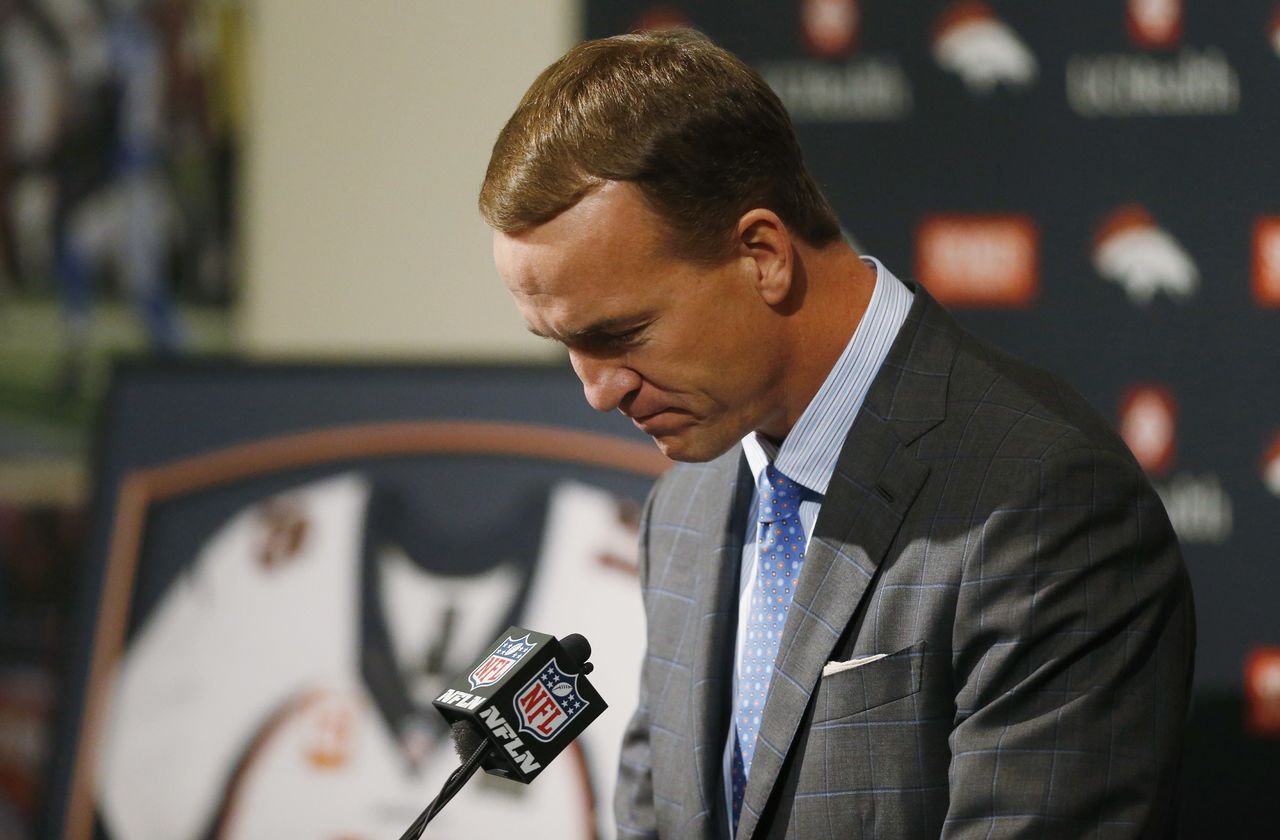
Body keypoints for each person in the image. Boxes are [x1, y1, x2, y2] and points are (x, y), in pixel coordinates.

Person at [481, 29, 1194, 840]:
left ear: (762, 256)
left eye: (623, 331)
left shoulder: (1044, 503)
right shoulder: (684, 503)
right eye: (564, 344)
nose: (597, 389)